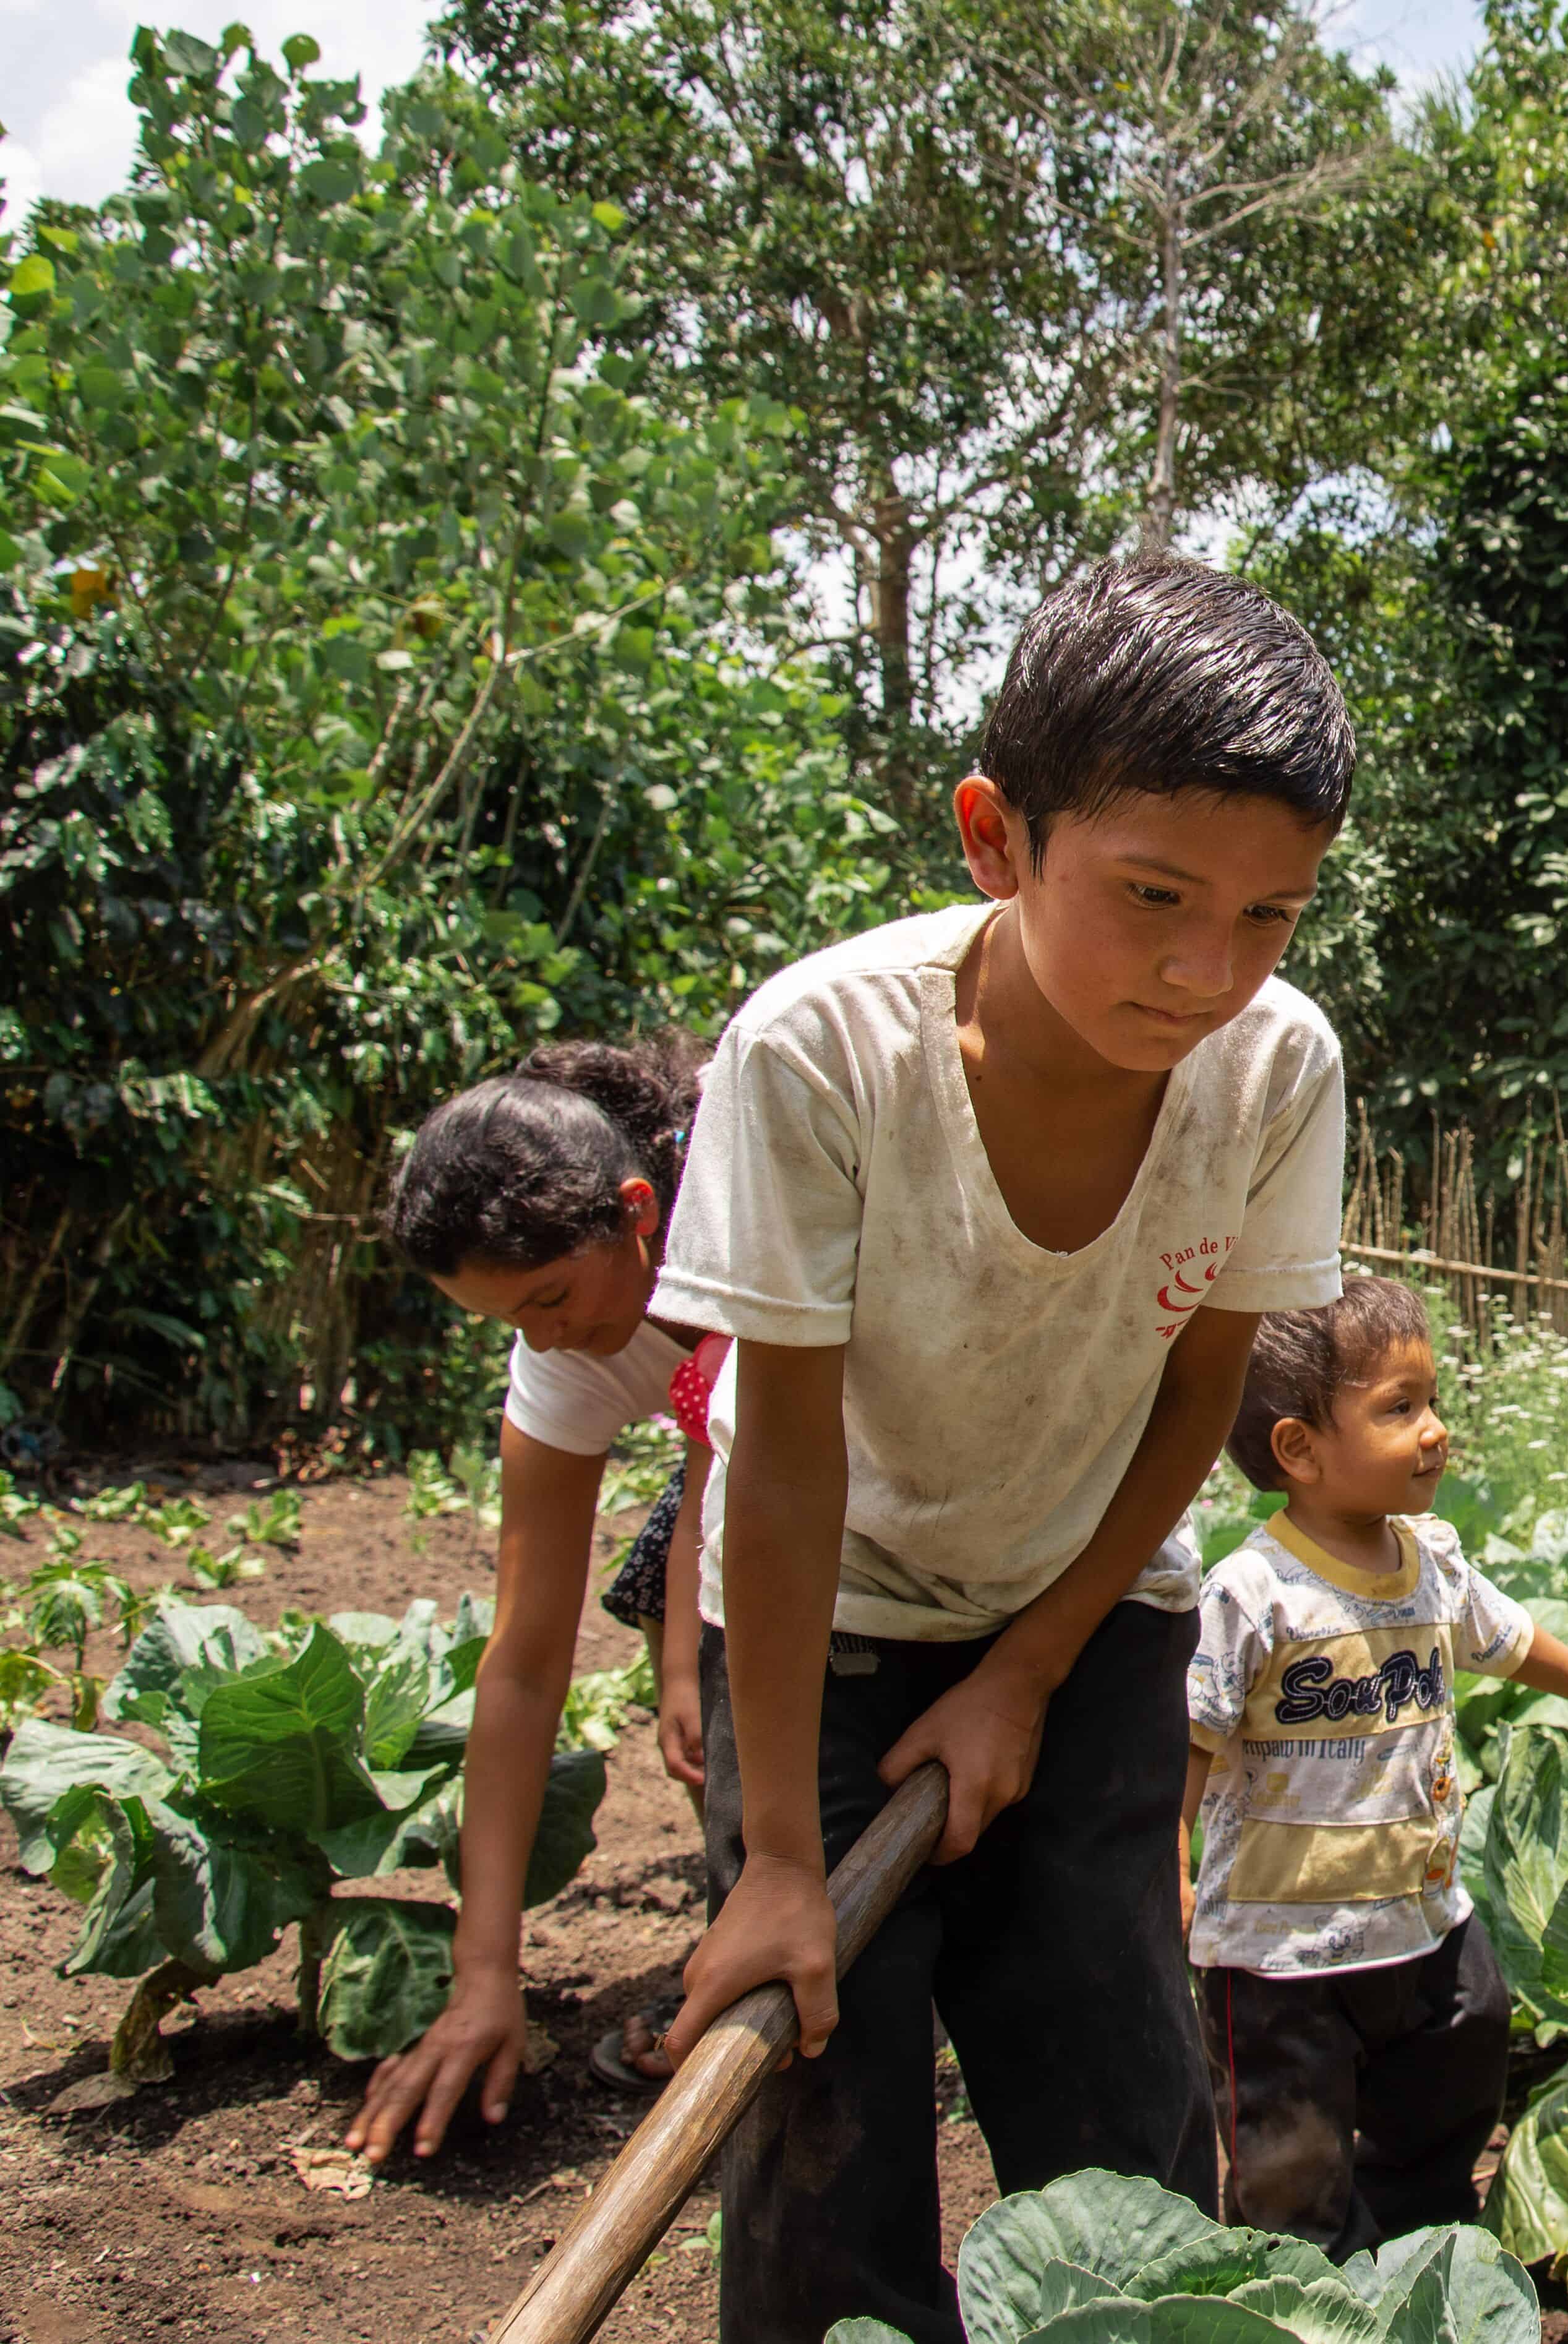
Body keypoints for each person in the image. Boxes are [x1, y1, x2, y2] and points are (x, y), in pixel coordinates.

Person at [653, 554, 1356, 2343]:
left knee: (1118, 2097)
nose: (1210, 970)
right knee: (825, 2089)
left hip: (1094, 1588)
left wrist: (1032, 1663)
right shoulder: (822, 1052)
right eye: (1151, 895)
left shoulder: (1276, 1067)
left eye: (1270, 915)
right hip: (827, 1600)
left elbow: (1201, 1388)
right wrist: (784, 1867)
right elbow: (787, 1460)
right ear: (994, 836)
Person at [1186, 1276, 1568, 2251]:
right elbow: (1194, 1732)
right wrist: (1172, 1863)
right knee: (1290, 2159)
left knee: (1472, 2039)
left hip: (1419, 1913)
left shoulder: (1432, 1558)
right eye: (1399, 1407)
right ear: (1300, 1448)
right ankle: (1299, 2283)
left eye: (1434, 1400)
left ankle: (1411, 2231)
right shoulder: (1254, 1593)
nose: (1435, 1428)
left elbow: (1510, 1639)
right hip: (1279, 1949)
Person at [346, 1034, 721, 2164]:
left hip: (914, 1435)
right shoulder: (563, 1349)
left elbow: (743, 1461)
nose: (545, 1336)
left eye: (552, 1295)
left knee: (740, 1658)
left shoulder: (766, 1210)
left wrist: (691, 1652)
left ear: (639, 1208)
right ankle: (754, 1911)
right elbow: (521, 1659)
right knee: (706, 1675)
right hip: (747, 1458)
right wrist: (484, 1970)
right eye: (509, 1319)